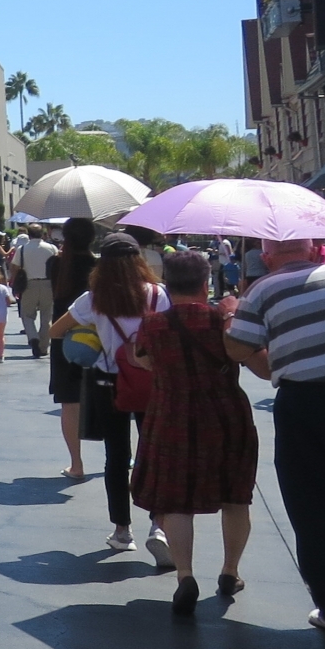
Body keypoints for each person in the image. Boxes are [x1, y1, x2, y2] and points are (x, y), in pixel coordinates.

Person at [224, 236, 325, 634]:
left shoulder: (262, 290)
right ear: (311, 250)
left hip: (306, 404)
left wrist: (232, 314)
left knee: (312, 507)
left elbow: (238, 349)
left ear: (267, 257)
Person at [128, 250, 258, 615]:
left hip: (172, 414)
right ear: (205, 284)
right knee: (236, 498)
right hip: (226, 415)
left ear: (168, 286)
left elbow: (142, 359)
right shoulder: (223, 320)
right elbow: (245, 354)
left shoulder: (153, 324)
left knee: (175, 501)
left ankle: (185, 576)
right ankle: (230, 572)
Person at [50, 232, 172, 560]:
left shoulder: (93, 299)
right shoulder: (157, 294)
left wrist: (92, 334)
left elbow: (55, 331)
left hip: (108, 383)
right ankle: (159, 525)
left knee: (116, 457)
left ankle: (122, 530)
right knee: (155, 454)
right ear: (138, 260)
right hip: (151, 381)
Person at [48, 218, 98, 479]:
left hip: (63, 337)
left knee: (69, 402)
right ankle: (121, 455)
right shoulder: (99, 267)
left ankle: (76, 464)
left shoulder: (55, 264)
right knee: (106, 398)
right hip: (96, 338)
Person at [12, 223, 59, 357]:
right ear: (42, 234)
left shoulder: (22, 249)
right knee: (46, 316)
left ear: (29, 234)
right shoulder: (52, 248)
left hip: (29, 284)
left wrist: (14, 281)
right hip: (48, 284)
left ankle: (33, 337)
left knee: (27, 315)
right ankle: (43, 347)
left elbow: (14, 267)